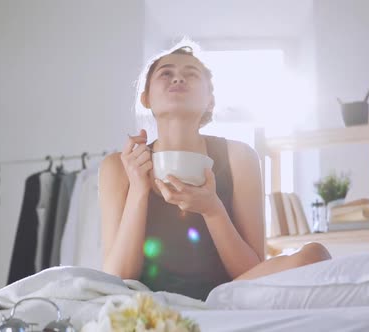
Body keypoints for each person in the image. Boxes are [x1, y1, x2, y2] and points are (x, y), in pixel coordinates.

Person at [99, 43, 331, 301]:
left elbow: (252, 271)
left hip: (224, 298)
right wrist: (139, 189)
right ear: (146, 98)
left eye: (191, 74)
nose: (178, 77)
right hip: (148, 302)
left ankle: (207, 312)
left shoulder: (239, 157)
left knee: (315, 255)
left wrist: (213, 209)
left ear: (210, 100)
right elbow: (117, 278)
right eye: (165, 73)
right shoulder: (118, 166)